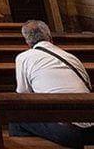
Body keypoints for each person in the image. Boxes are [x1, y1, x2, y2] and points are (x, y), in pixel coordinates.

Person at [10, 19, 94, 148]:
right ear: (50, 37)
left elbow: (23, 95)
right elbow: (88, 86)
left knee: (16, 117)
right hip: (91, 127)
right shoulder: (71, 57)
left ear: (27, 42)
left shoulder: (24, 57)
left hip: (67, 130)